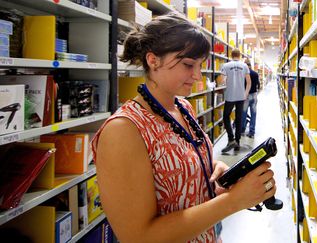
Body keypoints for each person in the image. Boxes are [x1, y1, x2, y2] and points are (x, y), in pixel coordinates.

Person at [91, 13, 276, 243]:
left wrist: (212, 168)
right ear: (153, 60)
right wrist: (232, 201)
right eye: (188, 65)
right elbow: (138, 237)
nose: (197, 75)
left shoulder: (184, 107)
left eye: (200, 65)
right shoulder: (123, 131)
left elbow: (180, 163)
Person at [220, 49, 251, 153]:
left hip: (230, 96)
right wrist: (245, 94)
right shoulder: (245, 66)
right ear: (240, 55)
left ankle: (231, 138)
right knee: (239, 118)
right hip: (241, 96)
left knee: (226, 116)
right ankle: (237, 142)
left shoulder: (226, 66)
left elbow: (223, 81)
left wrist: (224, 82)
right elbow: (249, 82)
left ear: (231, 55)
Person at [241, 60, 260, 138]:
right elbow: (258, 85)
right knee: (253, 114)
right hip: (254, 95)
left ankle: (242, 130)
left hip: (246, 96)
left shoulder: (244, 74)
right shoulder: (255, 74)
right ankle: (252, 132)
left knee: (244, 114)